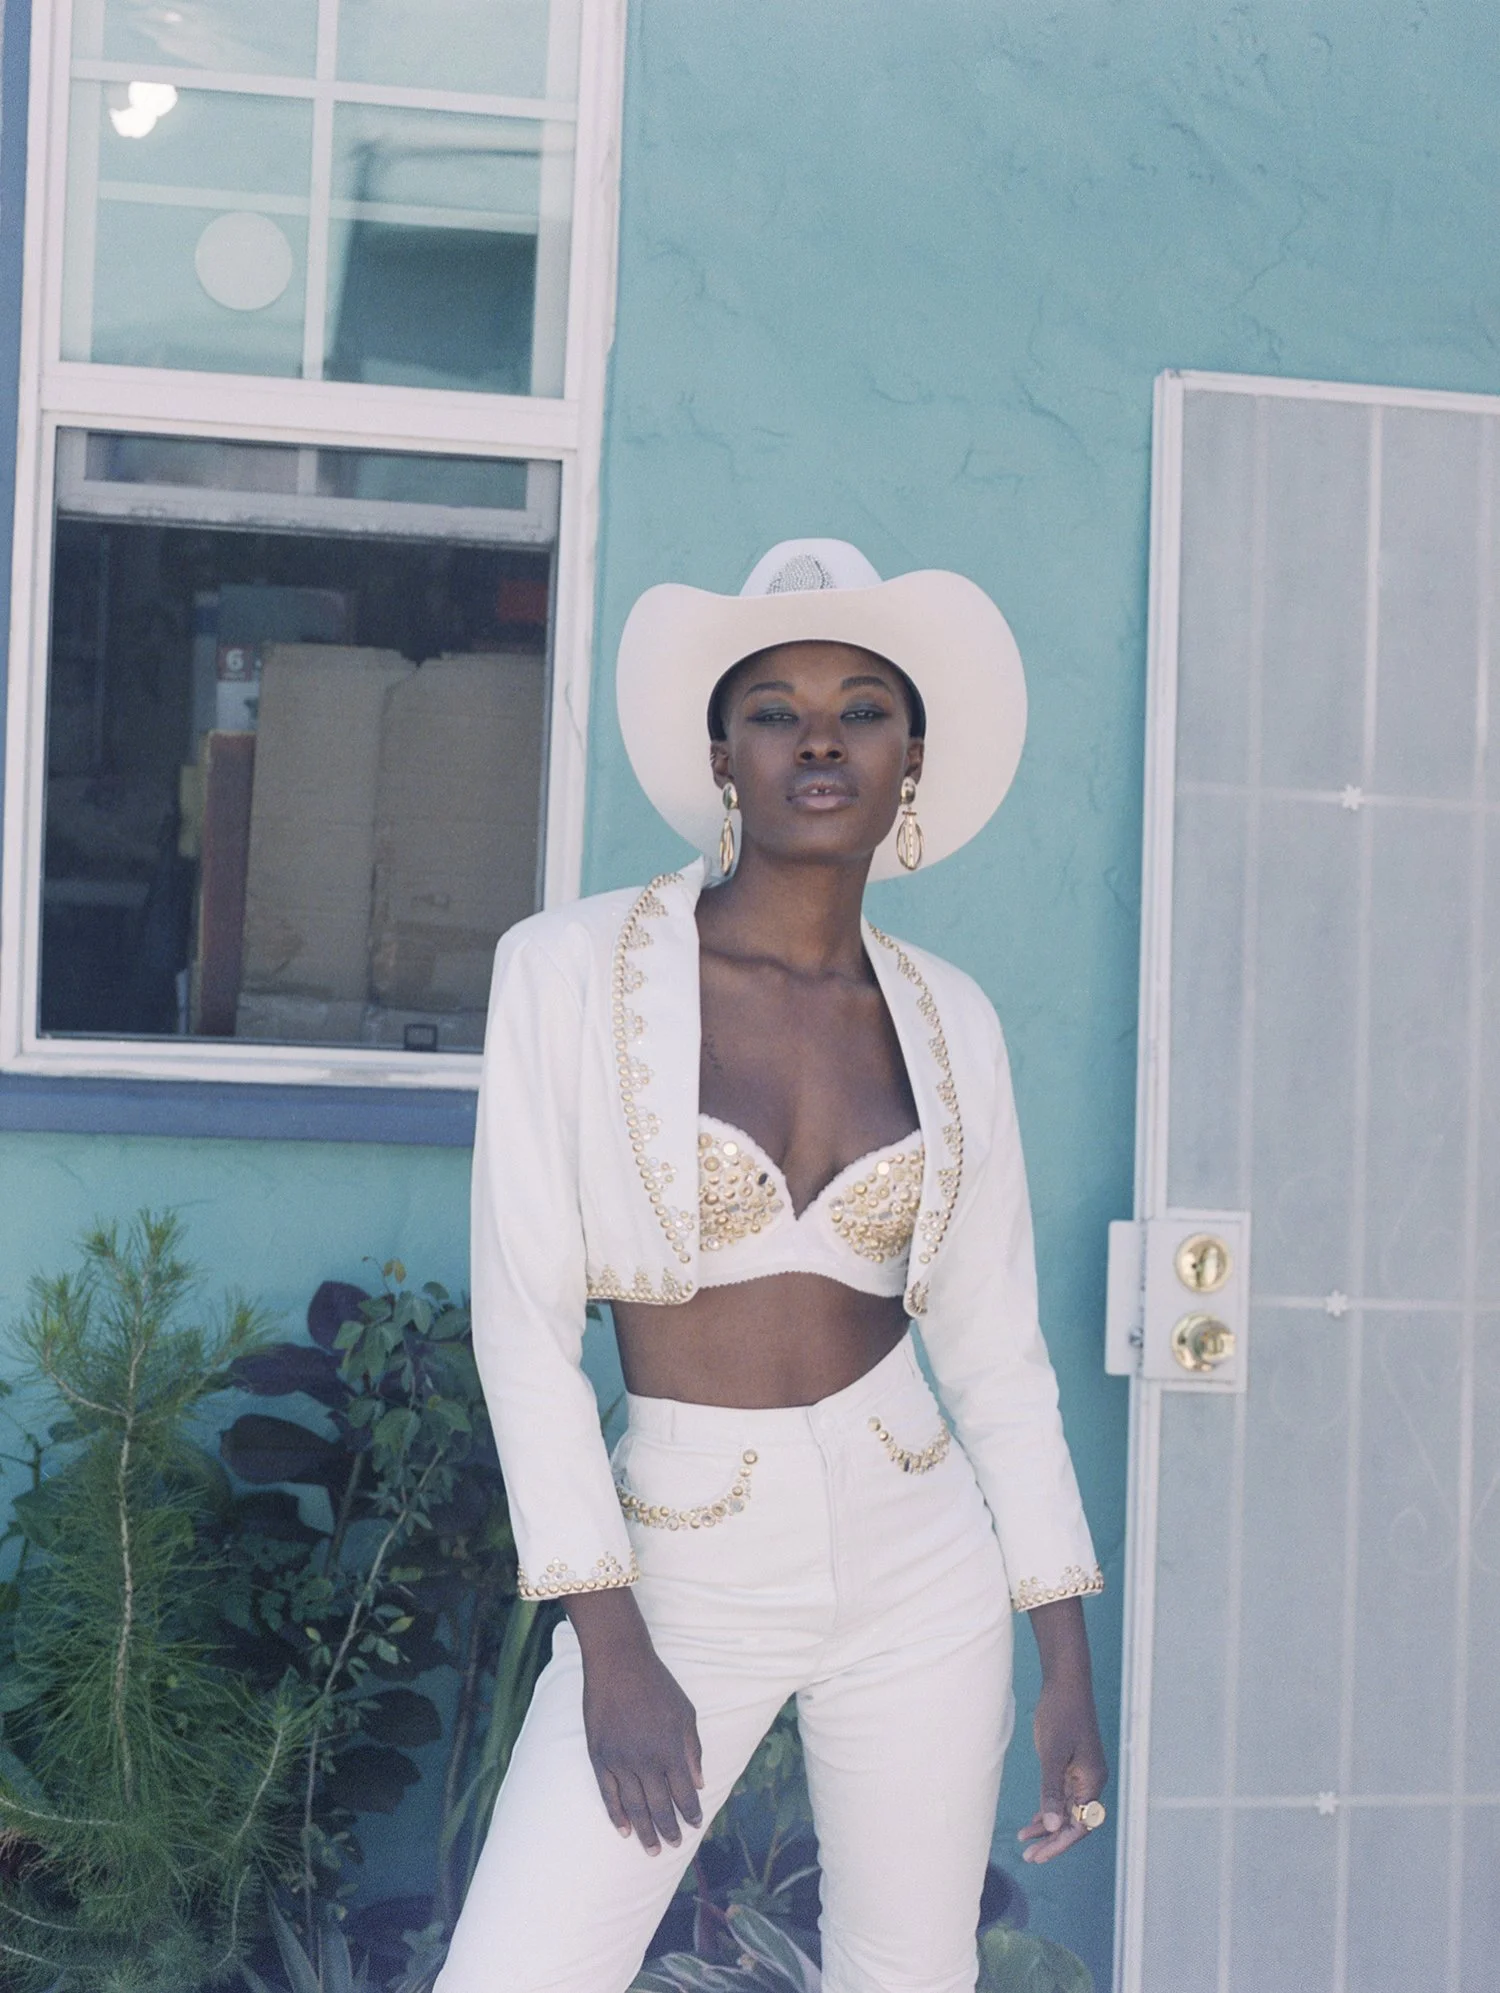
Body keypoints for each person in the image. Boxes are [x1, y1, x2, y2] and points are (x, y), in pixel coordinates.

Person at [436, 540, 1107, 1993]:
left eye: (863, 709)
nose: (819, 739)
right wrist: (608, 1639)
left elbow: (997, 1351)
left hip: (920, 1544)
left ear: (911, 760)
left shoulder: (952, 1017)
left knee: (908, 1973)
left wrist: (1064, 1658)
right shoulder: (568, 970)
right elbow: (524, 1325)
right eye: (774, 710)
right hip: (680, 1559)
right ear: (721, 760)